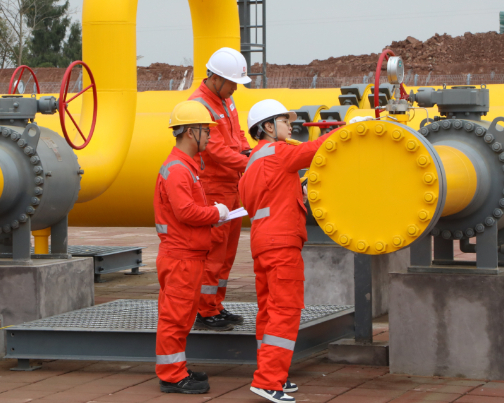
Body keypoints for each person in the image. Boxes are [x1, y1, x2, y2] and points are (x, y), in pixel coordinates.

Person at [239, 100, 359, 403]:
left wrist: (298, 189)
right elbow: (315, 149)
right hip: (281, 244)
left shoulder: (253, 162)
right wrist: (348, 130)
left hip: (263, 242)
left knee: (268, 311)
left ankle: (273, 374)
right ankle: (268, 380)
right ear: (268, 127)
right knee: (286, 310)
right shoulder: (278, 153)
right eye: (284, 120)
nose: (290, 125)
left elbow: (270, 196)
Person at [154, 100, 230, 394]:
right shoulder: (178, 170)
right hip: (181, 257)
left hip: (187, 256)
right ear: (190, 132)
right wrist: (217, 213)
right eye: (206, 130)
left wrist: (213, 213)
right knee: (175, 318)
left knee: (182, 317)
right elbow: (186, 212)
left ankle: (176, 370)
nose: (211, 136)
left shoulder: (185, 167)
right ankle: (172, 376)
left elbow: (186, 211)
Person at [188, 47, 251, 330]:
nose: (236, 88)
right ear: (215, 78)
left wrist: (248, 152)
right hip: (214, 189)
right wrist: (249, 164)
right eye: (232, 82)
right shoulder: (199, 106)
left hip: (231, 186)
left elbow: (236, 133)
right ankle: (204, 310)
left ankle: (216, 304)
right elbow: (214, 150)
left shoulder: (226, 100)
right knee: (213, 252)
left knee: (226, 253)